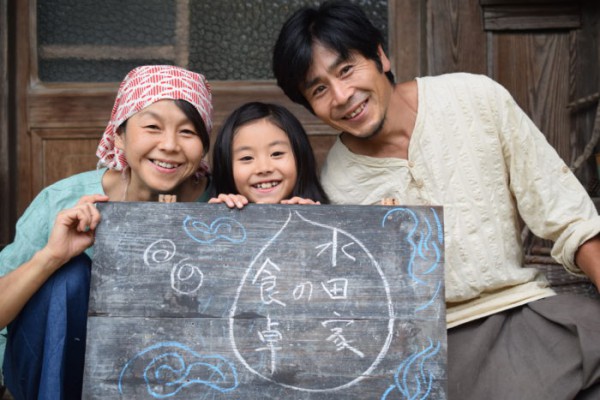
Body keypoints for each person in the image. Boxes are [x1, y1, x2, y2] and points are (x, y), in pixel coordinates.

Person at [272, 1, 600, 399]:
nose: (342, 96)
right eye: (319, 89)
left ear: (380, 55)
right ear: (310, 107)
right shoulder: (335, 183)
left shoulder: (474, 98)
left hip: (526, 312)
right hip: (435, 349)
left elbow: (570, 219)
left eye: (346, 69)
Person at [0, 65, 214, 399]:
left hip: (173, 372)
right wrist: (52, 257)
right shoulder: (63, 202)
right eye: (152, 127)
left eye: (187, 132)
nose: (170, 145)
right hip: (57, 375)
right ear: (119, 135)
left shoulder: (221, 207)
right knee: (70, 277)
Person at [209, 101, 328, 208]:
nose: (264, 168)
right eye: (247, 157)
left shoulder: (324, 219)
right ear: (225, 167)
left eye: (276, 153)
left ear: (301, 157)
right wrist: (217, 216)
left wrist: (312, 221)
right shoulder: (220, 217)